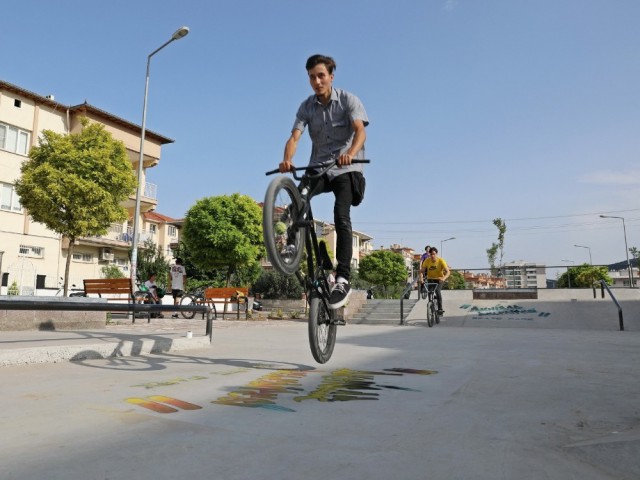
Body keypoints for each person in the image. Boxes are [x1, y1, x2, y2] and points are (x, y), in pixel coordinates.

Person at [279, 54, 369, 309]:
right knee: (299, 199)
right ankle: (292, 244)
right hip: (318, 167)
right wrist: (287, 159)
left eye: (321, 76)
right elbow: (295, 137)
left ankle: (342, 277)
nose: (316, 81)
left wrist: (349, 155)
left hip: (345, 168)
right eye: (311, 77)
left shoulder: (349, 100)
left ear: (331, 76)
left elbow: (360, 131)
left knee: (341, 215)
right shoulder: (306, 106)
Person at [419, 247, 450, 315]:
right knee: (430, 293)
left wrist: (444, 278)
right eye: (431, 254)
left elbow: (448, 272)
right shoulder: (427, 260)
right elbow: (421, 271)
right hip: (430, 279)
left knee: (437, 291)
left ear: (436, 254)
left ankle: (440, 309)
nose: (432, 256)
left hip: (439, 279)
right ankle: (430, 305)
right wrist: (421, 278)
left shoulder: (441, 261)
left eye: (434, 254)